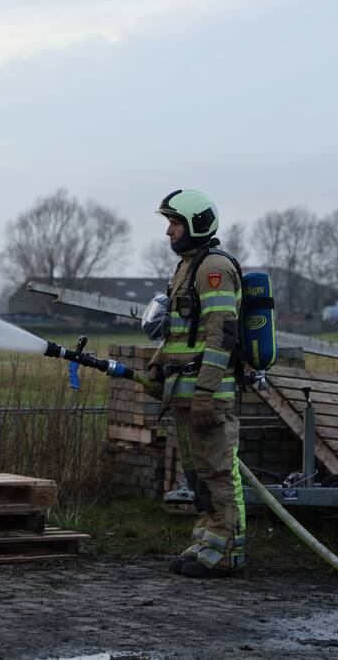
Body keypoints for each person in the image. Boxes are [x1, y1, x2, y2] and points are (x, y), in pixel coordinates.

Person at [145, 189, 245, 578]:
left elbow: (221, 336)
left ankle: (228, 550)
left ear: (196, 224)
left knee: (218, 472)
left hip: (208, 397)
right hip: (187, 396)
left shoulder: (213, 268)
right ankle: (207, 538)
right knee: (199, 474)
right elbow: (179, 334)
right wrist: (157, 366)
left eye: (174, 222)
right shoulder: (188, 266)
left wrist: (205, 393)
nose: (168, 231)